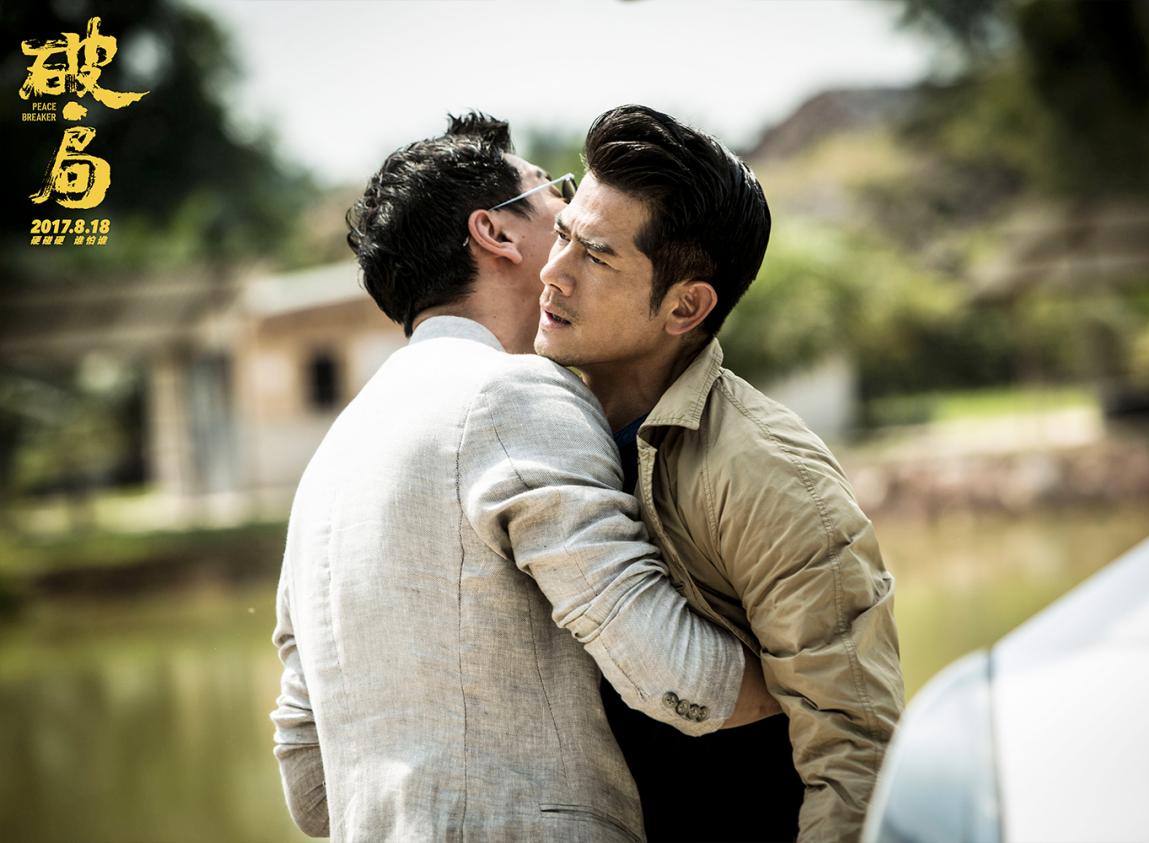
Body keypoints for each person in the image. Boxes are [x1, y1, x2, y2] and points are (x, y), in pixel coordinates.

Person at [269, 112, 775, 842]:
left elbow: (311, 788)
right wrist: (811, 684)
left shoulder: (328, 462)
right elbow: (669, 673)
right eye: (553, 194)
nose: (572, 217)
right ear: (495, 233)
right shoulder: (511, 395)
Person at [534, 104, 905, 843]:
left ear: (685, 305)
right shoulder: (528, 426)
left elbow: (855, 748)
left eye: (595, 256)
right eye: (561, 235)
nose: (553, 272)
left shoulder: (767, 473)